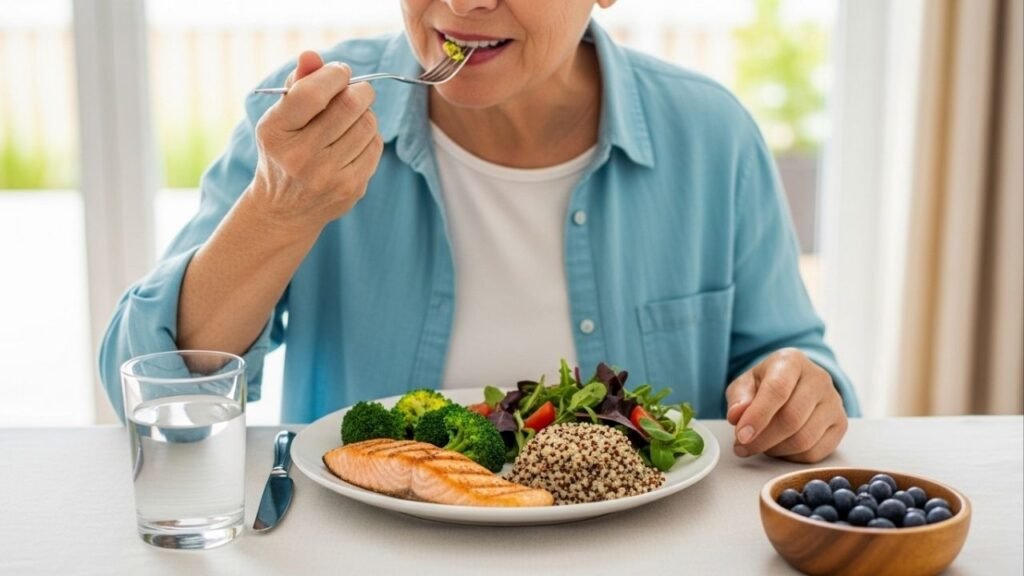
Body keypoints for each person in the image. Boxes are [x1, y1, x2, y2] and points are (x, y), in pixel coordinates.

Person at [100, 0, 860, 463]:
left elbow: (793, 365)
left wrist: (797, 389)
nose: (462, 1)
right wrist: (278, 210)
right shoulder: (304, 125)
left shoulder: (709, 135)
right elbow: (149, 384)